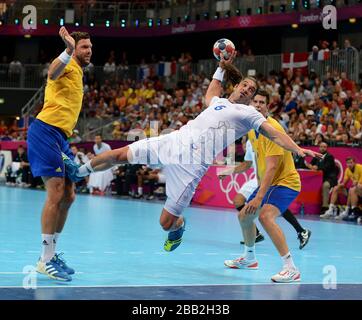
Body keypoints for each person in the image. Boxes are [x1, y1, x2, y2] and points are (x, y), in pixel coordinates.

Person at [64, 52, 320, 255]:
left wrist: (296, 148)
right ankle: (79, 172)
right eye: (245, 85)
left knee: (166, 223)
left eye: (251, 90)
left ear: (253, 98)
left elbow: (274, 134)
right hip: (172, 142)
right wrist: (221, 66)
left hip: (191, 168)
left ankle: (179, 225)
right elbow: (213, 89)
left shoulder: (249, 115)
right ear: (238, 84)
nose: (246, 90)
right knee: (119, 155)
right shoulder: (218, 102)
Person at [27, 27, 92, 282]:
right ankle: (44, 259)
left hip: (60, 137)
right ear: (74, 48)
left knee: (69, 194)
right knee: (55, 193)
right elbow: (52, 72)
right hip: (45, 131)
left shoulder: (78, 72)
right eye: (84, 47)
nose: (89, 50)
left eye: (90, 47)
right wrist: (66, 50)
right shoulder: (66, 64)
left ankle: (52, 254)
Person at [224, 88, 306, 283]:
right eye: (255, 102)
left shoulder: (272, 128)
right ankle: (250, 258)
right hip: (269, 184)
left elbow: (271, 168)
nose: (258, 105)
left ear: (267, 106)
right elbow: (256, 164)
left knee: (265, 216)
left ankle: (290, 268)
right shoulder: (253, 128)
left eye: (262, 102)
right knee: (244, 216)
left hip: (285, 182)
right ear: (250, 105)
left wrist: (259, 196)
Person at [305, 142, 338, 213]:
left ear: (327, 148)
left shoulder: (329, 156)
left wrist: (317, 168)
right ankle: (310, 206)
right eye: (321, 146)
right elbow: (311, 164)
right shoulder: (316, 156)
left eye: (324, 147)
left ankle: (325, 207)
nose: (322, 148)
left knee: (325, 186)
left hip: (329, 178)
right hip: (318, 178)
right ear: (319, 147)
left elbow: (327, 168)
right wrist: (310, 166)